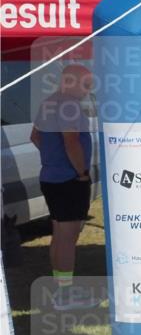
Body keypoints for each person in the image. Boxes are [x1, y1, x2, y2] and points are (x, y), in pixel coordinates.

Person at [30, 64, 95, 309]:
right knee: (67, 237)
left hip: (51, 177)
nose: (87, 91)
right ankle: (65, 296)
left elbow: (34, 137)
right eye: (86, 85)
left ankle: (60, 289)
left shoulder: (48, 102)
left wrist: (51, 158)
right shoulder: (68, 105)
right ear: (70, 82)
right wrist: (80, 172)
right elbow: (71, 140)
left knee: (59, 235)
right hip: (69, 180)